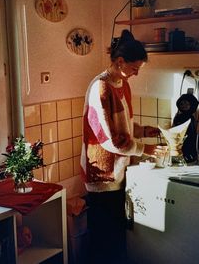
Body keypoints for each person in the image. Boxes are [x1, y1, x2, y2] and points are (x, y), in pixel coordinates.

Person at [80, 29, 163, 264]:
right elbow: (111, 139)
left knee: (116, 236)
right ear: (119, 61)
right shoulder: (101, 88)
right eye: (135, 68)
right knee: (104, 239)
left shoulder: (122, 83)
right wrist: (144, 149)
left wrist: (144, 131)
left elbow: (123, 126)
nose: (136, 73)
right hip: (101, 175)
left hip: (117, 170)